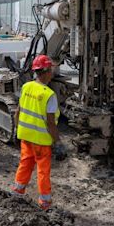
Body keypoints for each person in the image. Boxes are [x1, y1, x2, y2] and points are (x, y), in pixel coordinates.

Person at [11, 54, 66, 210]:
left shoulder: (26, 86)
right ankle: (44, 202)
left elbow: (17, 112)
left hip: (25, 136)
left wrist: (17, 131)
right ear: (47, 71)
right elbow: (50, 123)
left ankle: (18, 191)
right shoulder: (49, 95)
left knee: (25, 163)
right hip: (41, 140)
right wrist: (58, 142)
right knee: (43, 171)